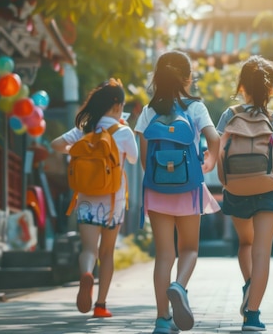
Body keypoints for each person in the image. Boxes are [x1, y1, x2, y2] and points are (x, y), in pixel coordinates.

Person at [134, 50, 221, 334]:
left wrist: (158, 179)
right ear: (188, 77)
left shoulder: (149, 111)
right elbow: (214, 138)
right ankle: (179, 286)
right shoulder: (196, 107)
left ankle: (162, 320)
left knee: (164, 255)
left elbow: (144, 155)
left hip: (157, 189)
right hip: (189, 186)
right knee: (189, 248)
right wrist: (207, 162)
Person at [216, 56, 273, 331]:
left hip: (236, 188)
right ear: (271, 89)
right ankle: (252, 314)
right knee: (263, 252)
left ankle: (249, 285)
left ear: (242, 86)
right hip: (268, 190)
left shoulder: (230, 114)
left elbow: (218, 148)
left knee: (246, 244)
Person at [51, 79, 138, 318]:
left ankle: (86, 273)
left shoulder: (85, 129)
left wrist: (77, 149)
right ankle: (100, 305)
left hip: (87, 198)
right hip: (113, 201)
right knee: (107, 252)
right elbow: (133, 159)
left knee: (89, 249)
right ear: (119, 105)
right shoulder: (123, 132)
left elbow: (55, 144)